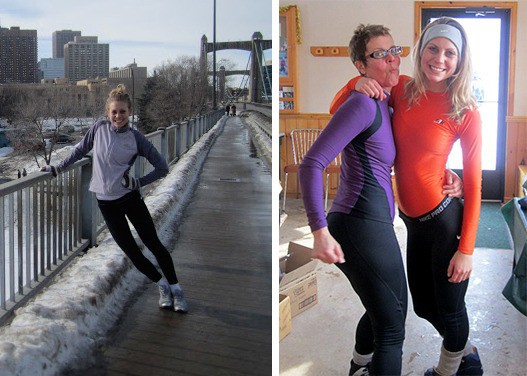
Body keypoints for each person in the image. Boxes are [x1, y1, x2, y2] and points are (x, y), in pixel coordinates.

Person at [330, 17, 483, 376]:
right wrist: (357, 81)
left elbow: (475, 185)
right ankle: (464, 351)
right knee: (423, 308)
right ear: (421, 50)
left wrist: (467, 249)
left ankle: (454, 368)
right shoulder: (401, 89)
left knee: (449, 308)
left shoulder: (465, 109)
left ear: (460, 60)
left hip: (446, 223)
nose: (440, 58)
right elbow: (338, 108)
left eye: (450, 53)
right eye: (433, 48)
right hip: (412, 222)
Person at [300, 24, 409, 375]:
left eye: (394, 50)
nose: (392, 59)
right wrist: (318, 230)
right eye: (380, 54)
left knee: (381, 309)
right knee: (392, 326)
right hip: (360, 224)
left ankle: (359, 367)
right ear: (362, 66)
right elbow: (311, 164)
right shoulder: (362, 104)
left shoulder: (384, 100)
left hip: (371, 221)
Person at [41, 84, 188, 313]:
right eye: (114, 112)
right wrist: (57, 169)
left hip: (129, 199)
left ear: (129, 112)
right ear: (108, 112)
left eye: (122, 111)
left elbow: (162, 168)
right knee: (131, 251)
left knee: (153, 244)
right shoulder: (98, 128)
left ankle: (177, 289)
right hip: (106, 203)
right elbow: (79, 151)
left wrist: (138, 182)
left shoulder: (137, 138)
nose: (118, 116)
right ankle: (162, 285)